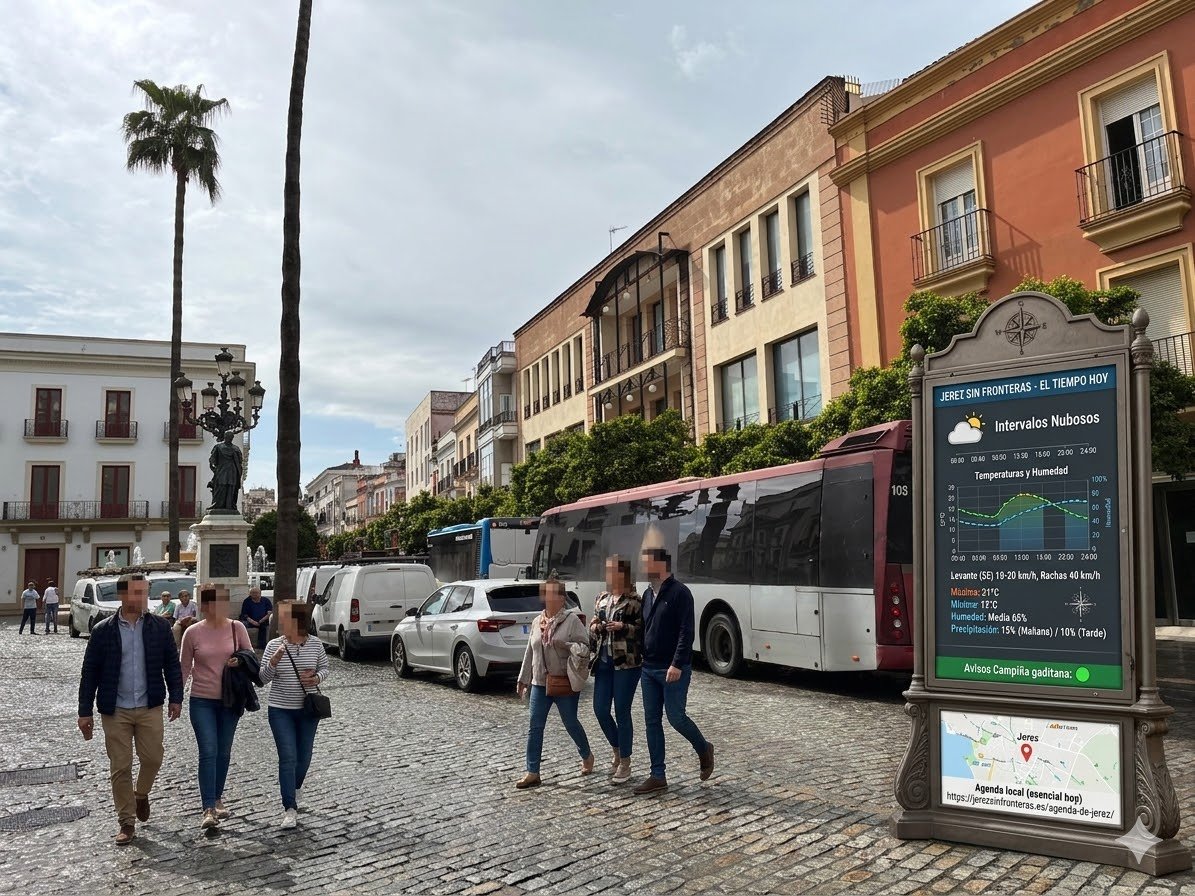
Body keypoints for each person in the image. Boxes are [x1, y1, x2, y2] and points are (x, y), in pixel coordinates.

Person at [77, 573, 183, 845]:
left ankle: (141, 794)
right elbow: (89, 672)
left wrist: (176, 697)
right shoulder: (103, 630)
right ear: (122, 595)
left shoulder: (159, 627)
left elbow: (171, 663)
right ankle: (126, 821)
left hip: (149, 705)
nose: (141, 598)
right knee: (120, 767)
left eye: (144, 592)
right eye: (135, 592)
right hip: (115, 709)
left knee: (153, 758)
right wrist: (84, 711)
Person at [634, 541, 714, 795]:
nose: (643, 568)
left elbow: (686, 631)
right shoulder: (647, 594)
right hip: (648, 668)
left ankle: (703, 748)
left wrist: (677, 664)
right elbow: (645, 628)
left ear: (660, 564)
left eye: (647, 563)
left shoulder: (680, 593)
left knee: (675, 717)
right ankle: (658, 775)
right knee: (651, 721)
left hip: (672, 669)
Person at [180, 584, 252, 830]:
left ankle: (218, 798)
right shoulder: (192, 633)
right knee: (208, 751)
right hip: (201, 700)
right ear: (205, 605)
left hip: (230, 700)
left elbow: (250, 657)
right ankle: (208, 807)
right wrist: (175, 699)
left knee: (223, 751)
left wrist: (238, 661)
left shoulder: (237, 627)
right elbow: (184, 668)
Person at [515, 578, 594, 789]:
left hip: (563, 681)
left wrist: (565, 644)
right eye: (545, 594)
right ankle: (532, 771)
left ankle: (586, 754)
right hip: (539, 682)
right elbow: (530, 651)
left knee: (570, 723)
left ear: (561, 598)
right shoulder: (536, 622)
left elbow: (585, 647)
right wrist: (523, 679)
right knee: (535, 726)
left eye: (551, 594)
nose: (547, 598)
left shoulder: (571, 620)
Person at [260, 601, 329, 828]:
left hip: (308, 710)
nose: (280, 622)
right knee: (287, 757)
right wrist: (274, 661)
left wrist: (316, 678)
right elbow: (262, 678)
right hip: (280, 710)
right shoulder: (273, 645)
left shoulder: (316, 645)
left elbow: (324, 668)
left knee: (305, 755)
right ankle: (289, 807)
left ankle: (295, 787)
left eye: (285, 618)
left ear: (298, 621)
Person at [589, 556, 643, 784]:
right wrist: (596, 626)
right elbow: (592, 623)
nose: (609, 575)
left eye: (613, 571)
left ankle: (626, 762)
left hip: (626, 663)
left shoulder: (635, 601)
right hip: (603, 662)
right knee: (600, 709)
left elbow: (643, 630)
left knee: (622, 711)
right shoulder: (602, 598)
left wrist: (623, 627)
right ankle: (617, 748)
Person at [208, 432, 243, 512]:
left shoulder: (235, 448)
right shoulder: (219, 447)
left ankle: (229, 506)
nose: (229, 438)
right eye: (228, 436)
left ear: (232, 438)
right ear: (225, 437)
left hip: (231, 471)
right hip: (223, 470)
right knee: (221, 486)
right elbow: (213, 459)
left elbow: (239, 461)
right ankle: (218, 505)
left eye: (230, 437)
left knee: (230, 488)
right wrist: (213, 467)